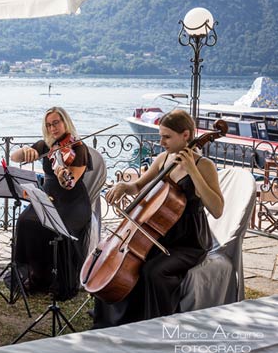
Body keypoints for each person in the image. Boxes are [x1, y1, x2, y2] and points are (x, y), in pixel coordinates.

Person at [93, 109, 224, 328]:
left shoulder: (204, 165)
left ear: (186, 135)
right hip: (161, 235)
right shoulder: (164, 158)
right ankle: (121, 321)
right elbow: (138, 185)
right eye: (161, 135)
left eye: (166, 137)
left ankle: (158, 324)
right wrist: (125, 187)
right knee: (127, 265)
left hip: (189, 241)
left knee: (154, 270)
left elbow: (217, 208)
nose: (161, 141)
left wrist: (192, 170)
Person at [10, 106, 92, 301]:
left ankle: (60, 281)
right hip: (47, 198)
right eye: (48, 125)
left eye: (56, 123)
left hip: (73, 202)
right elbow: (14, 158)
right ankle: (37, 276)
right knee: (25, 222)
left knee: (60, 230)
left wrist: (62, 173)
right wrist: (25, 151)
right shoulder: (45, 145)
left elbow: (70, 184)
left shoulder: (78, 148)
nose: (53, 128)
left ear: (65, 122)